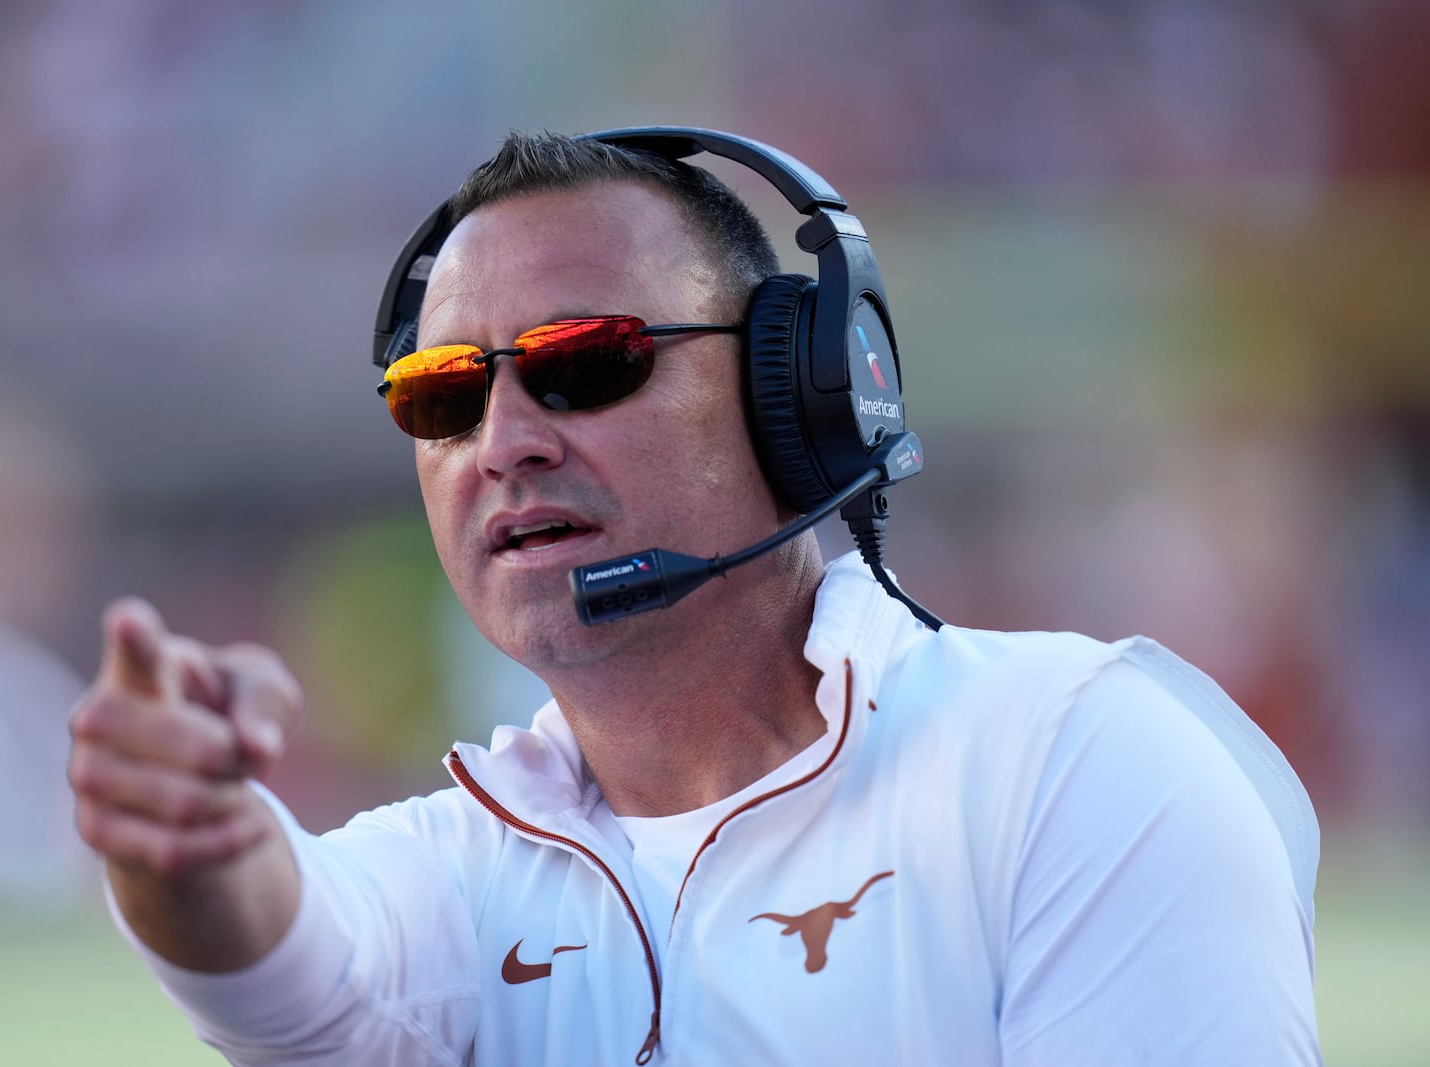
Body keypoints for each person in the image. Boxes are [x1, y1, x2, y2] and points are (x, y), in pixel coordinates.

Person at [68, 129, 1322, 1065]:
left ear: (807, 394)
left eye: (587, 362)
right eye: (441, 393)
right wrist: (188, 835)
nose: (503, 437)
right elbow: (283, 966)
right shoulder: (461, 871)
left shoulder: (1073, 761)